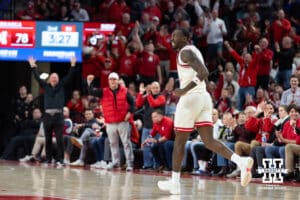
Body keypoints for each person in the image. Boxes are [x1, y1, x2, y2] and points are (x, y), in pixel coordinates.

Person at [157, 28, 254, 195]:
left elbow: (203, 72)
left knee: (179, 140)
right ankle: (242, 162)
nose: (172, 38)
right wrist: (207, 94)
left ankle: (174, 182)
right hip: (203, 98)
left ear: (186, 37)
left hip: (191, 98)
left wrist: (183, 89)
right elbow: (204, 74)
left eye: (175, 36)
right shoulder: (195, 51)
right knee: (208, 141)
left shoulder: (185, 53)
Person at [28, 56, 77, 166]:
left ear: (58, 79)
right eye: (52, 77)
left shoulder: (61, 86)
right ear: (49, 79)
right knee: (48, 139)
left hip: (58, 116)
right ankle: (48, 159)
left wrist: (72, 65)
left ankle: (60, 159)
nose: (54, 79)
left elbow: (69, 77)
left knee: (59, 139)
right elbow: (37, 78)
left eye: (56, 77)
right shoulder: (45, 86)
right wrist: (33, 66)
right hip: (47, 117)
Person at [87, 72, 135, 171]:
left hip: (122, 121)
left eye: (114, 79)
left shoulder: (125, 91)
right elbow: (91, 91)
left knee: (126, 143)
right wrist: (90, 82)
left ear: (118, 81)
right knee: (113, 143)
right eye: (111, 79)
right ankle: (115, 162)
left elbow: (133, 103)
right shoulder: (104, 91)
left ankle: (130, 163)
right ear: (108, 81)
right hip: (110, 122)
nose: (113, 81)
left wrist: (129, 113)